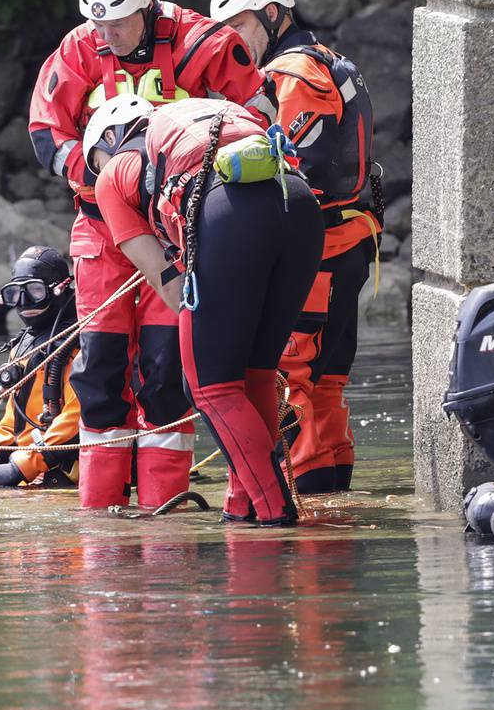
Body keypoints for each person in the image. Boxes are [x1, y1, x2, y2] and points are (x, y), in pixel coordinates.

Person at [28, 0, 265, 510]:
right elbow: (45, 128)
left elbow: (257, 108)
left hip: (174, 229)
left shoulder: (202, 44)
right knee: (100, 369)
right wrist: (85, 167)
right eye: (97, 22)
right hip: (100, 227)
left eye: (116, 22)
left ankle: (166, 510)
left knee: (164, 370)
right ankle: (101, 514)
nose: (105, 34)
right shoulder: (79, 49)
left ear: (147, 6)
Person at [88, 97, 324, 526]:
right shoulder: (196, 112)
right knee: (255, 373)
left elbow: (172, 287)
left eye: (95, 160)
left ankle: (274, 514)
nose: (96, 173)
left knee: (211, 386)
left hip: (230, 210)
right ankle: (243, 506)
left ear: (110, 137)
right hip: (300, 203)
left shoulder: (112, 176)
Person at [209, 0, 380, 493]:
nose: (232, 43)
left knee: (291, 378)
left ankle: (299, 501)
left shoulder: (293, 74)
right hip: (348, 244)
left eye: (240, 26)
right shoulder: (329, 61)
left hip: (319, 251)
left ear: (273, 14)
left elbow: (294, 164)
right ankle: (331, 502)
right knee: (327, 383)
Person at [0, 245, 82, 489]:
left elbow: (78, 417)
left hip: (68, 467)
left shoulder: (80, 342)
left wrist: (23, 466)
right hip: (34, 462)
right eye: (14, 294)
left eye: (36, 291)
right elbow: (13, 425)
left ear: (60, 288)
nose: (25, 302)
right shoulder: (22, 347)